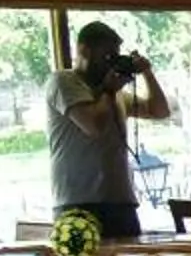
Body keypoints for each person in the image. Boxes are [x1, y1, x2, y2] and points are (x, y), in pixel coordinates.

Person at [45, 21, 171, 239]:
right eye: (107, 57)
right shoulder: (63, 81)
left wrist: (147, 73)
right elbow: (93, 125)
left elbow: (160, 111)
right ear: (84, 50)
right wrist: (109, 90)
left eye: (115, 57)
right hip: (78, 201)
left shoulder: (115, 95)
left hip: (120, 200)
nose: (111, 64)